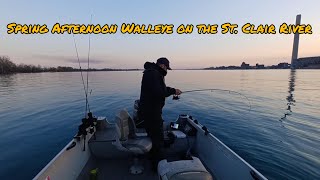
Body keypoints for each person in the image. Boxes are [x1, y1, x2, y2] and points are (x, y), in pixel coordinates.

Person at [138, 57, 182, 170]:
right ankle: (157, 166)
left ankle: (152, 159)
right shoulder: (154, 73)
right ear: (162, 65)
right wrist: (173, 91)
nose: (166, 70)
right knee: (158, 140)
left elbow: (160, 89)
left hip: (150, 112)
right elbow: (160, 92)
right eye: (166, 67)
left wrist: (173, 90)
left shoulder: (152, 72)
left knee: (154, 137)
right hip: (152, 113)